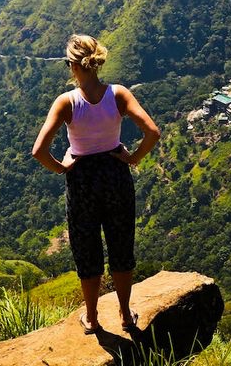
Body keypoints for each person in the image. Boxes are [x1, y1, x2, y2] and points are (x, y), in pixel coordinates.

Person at [31, 34, 160, 335]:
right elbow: (152, 132)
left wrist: (63, 168)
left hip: (82, 180)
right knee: (121, 245)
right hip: (115, 174)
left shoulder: (67, 102)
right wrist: (133, 158)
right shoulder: (118, 95)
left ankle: (92, 318)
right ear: (96, 62)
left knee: (87, 249)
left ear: (73, 66)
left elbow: (39, 151)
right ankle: (126, 316)